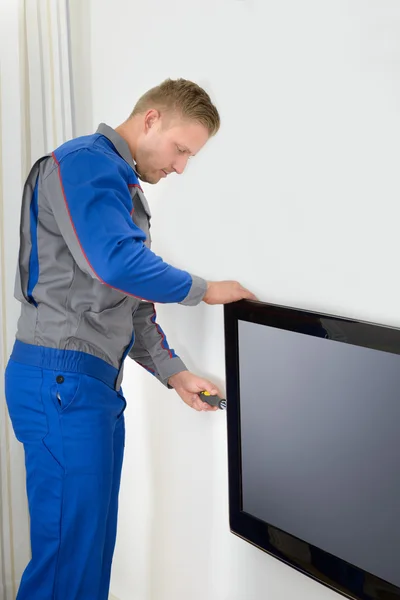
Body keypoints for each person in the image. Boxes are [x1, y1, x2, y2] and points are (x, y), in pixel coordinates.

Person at [4, 78, 256, 600]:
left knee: (89, 555)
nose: (181, 166)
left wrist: (176, 373)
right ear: (150, 121)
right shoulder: (85, 165)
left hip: (87, 388)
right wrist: (204, 291)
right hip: (60, 383)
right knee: (66, 566)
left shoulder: (122, 186)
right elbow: (116, 262)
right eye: (180, 149)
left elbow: (132, 303)